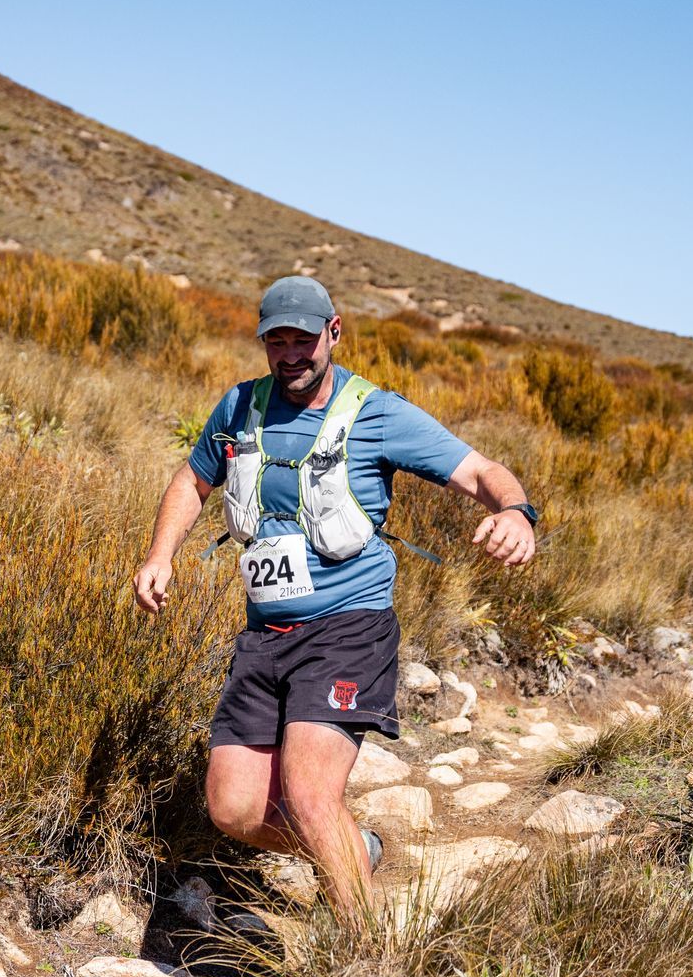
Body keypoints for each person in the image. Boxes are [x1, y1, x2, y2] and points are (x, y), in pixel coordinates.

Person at [131, 277, 539, 915]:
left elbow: (481, 470)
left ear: (334, 332)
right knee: (232, 808)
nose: (291, 354)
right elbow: (193, 477)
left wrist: (516, 513)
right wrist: (161, 554)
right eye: (277, 341)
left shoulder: (376, 414)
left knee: (310, 795)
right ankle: (356, 848)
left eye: (304, 340)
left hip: (349, 628)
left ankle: (368, 970)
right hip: (265, 636)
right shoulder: (239, 406)